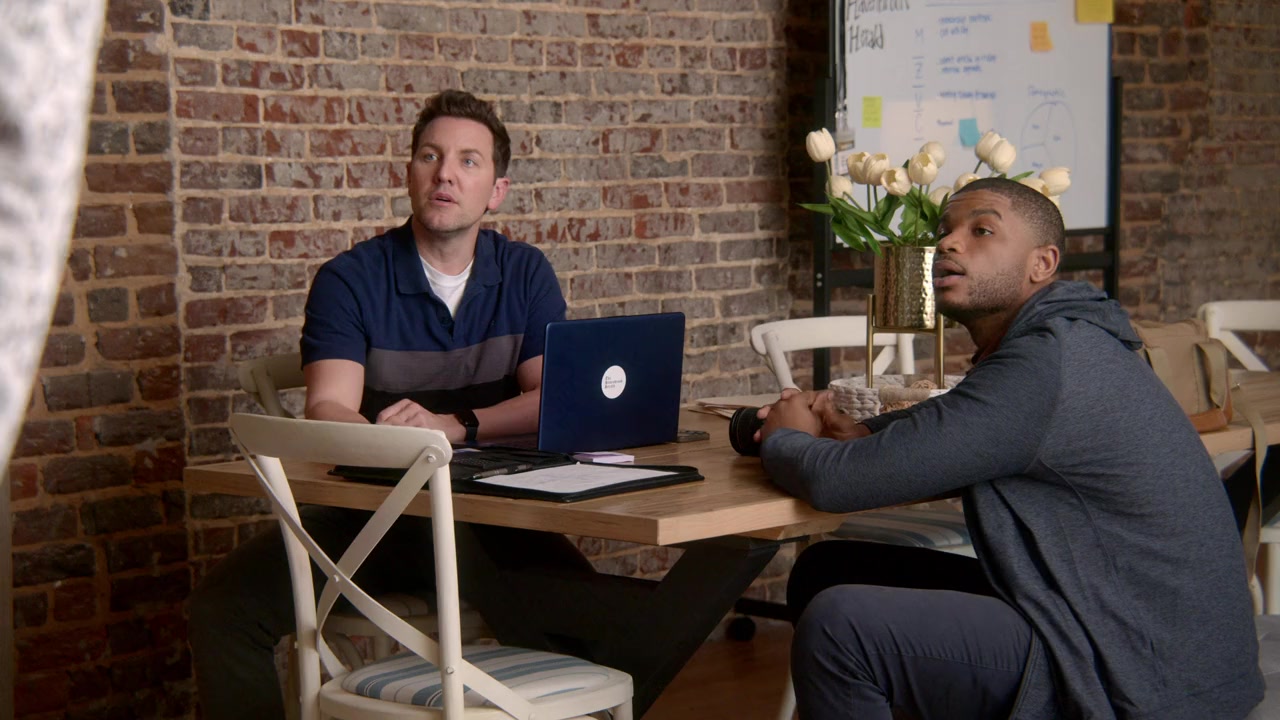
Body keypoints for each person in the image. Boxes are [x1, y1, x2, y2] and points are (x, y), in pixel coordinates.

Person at [758, 177, 1264, 719]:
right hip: (1111, 617)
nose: (948, 243)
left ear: (1042, 263)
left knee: (843, 629)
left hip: (1144, 671)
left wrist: (786, 436)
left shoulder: (1045, 362)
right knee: (830, 568)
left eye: (981, 230)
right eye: (945, 231)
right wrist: (864, 434)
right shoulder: (1061, 341)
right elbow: (961, 424)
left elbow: (838, 483)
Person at [189, 90, 591, 719]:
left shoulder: (525, 273)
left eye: (468, 161)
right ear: (409, 174)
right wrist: (403, 450)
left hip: (494, 516)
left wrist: (450, 428)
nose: (445, 173)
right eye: (430, 156)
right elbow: (328, 409)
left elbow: (556, 401)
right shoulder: (351, 279)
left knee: (597, 624)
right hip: (372, 521)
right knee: (221, 610)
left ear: (497, 191)